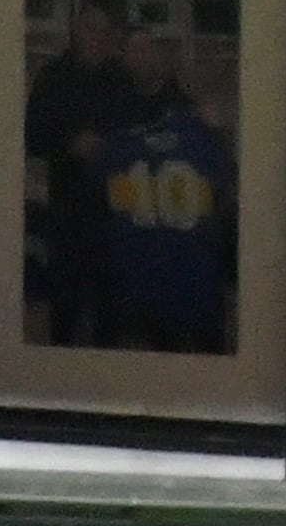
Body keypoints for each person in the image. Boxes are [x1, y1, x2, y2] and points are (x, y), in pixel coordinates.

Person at [90, 29, 235, 354]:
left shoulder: (190, 112)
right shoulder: (114, 111)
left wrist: (216, 132)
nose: (142, 56)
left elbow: (226, 177)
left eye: (148, 48)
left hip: (190, 263)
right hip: (143, 269)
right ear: (123, 56)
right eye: (134, 49)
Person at [23, 0, 130, 346]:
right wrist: (69, 143)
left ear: (110, 35)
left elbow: (136, 135)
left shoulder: (120, 80)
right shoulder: (52, 77)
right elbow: (31, 134)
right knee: (65, 307)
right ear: (76, 27)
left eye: (102, 30)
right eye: (88, 27)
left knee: (110, 308)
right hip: (67, 209)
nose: (94, 36)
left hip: (113, 211)